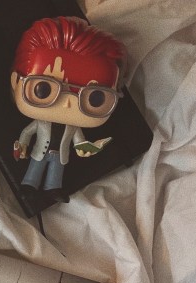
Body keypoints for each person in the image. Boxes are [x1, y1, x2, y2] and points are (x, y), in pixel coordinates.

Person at [11, 16, 126, 201]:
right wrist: (22, 145)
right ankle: (29, 185)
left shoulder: (73, 127)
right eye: (44, 89)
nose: (67, 103)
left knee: (55, 173)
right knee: (35, 168)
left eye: (95, 98)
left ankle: (53, 188)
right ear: (16, 82)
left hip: (60, 155)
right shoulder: (41, 123)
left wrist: (84, 149)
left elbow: (79, 142)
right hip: (40, 151)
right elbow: (27, 132)